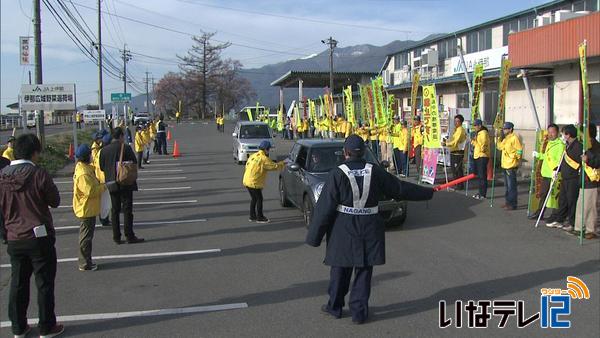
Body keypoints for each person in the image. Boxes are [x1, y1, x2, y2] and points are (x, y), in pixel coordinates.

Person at [306, 135, 434, 324]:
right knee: (364, 270)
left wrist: (314, 237)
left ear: (345, 153)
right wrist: (427, 192)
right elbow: (399, 188)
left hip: (344, 225)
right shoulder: (375, 171)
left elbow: (325, 207)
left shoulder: (337, 173)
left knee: (340, 269)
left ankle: (335, 307)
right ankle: (359, 313)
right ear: (364, 152)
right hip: (370, 226)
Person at [0, 134, 64, 338]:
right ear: (34, 152)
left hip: (14, 237)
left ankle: (19, 327)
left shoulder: (2, 176)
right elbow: (54, 200)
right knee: (44, 283)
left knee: (18, 283)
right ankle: (47, 326)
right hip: (39, 236)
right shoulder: (38, 174)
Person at [99, 128, 144, 244]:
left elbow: (102, 167)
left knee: (115, 210)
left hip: (111, 183)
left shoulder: (104, 150)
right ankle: (129, 235)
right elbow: (134, 163)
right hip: (125, 182)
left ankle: (116, 237)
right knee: (127, 209)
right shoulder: (126, 148)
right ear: (120, 136)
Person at [73, 144, 105, 271]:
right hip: (86, 209)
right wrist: (104, 187)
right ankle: (84, 262)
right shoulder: (83, 174)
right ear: (87, 156)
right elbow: (91, 191)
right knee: (86, 237)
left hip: (88, 207)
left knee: (87, 236)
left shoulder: (84, 168)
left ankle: (86, 260)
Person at [546, 125, 583, 229]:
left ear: (568, 134)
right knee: (563, 200)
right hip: (565, 177)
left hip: (573, 178)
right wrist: (557, 169)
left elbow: (579, 163)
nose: (562, 135)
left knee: (571, 201)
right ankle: (559, 220)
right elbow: (564, 161)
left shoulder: (578, 146)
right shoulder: (567, 145)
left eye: (563, 133)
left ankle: (572, 222)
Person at [242, 140, 284, 223]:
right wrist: (283, 163)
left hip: (247, 180)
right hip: (254, 182)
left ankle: (252, 216)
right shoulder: (263, 158)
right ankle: (260, 217)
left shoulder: (253, 155)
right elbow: (274, 166)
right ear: (265, 149)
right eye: (268, 149)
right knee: (259, 199)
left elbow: (247, 166)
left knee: (254, 198)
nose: (269, 151)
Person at [529, 124, 564, 220]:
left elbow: (559, 160)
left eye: (553, 132)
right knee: (544, 194)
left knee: (554, 196)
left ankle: (554, 215)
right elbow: (546, 156)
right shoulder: (549, 143)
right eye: (549, 132)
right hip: (546, 173)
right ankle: (539, 213)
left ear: (557, 132)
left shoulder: (560, 145)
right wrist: (539, 155)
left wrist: (555, 169)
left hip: (554, 174)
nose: (550, 134)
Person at [573, 123, 600, 239]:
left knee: (591, 207)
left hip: (592, 180)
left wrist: (587, 160)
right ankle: (579, 228)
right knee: (581, 205)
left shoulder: (596, 147)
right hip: (584, 180)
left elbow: (597, 162)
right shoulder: (585, 146)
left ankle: (591, 230)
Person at [496, 122, 523, 211]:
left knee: (511, 186)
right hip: (505, 164)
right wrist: (497, 138)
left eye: (505, 129)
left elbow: (519, 150)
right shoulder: (506, 138)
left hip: (511, 164)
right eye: (503, 129)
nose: (504, 130)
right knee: (507, 185)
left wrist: (515, 158)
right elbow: (500, 147)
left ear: (510, 129)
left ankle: (512, 203)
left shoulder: (514, 138)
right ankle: (508, 202)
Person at [91, 132, 111, 227]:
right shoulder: (96, 150)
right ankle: (104, 219)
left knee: (105, 201)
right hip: (101, 178)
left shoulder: (99, 149)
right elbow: (97, 164)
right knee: (104, 202)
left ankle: (105, 218)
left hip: (101, 178)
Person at [443, 115, 467, 190]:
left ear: (461, 122)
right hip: (453, 151)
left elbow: (455, 141)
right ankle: (457, 184)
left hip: (458, 152)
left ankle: (460, 185)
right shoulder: (455, 129)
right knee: (454, 169)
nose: (456, 123)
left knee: (458, 169)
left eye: (457, 121)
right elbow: (451, 139)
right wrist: (446, 141)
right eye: (455, 121)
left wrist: (446, 144)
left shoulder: (460, 130)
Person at [470, 119, 490, 200]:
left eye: (475, 125)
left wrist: (477, 142)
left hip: (482, 156)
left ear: (479, 125)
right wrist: (473, 141)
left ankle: (483, 194)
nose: (474, 127)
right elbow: (477, 144)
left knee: (482, 176)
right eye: (473, 125)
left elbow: (483, 145)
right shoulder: (479, 133)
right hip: (478, 155)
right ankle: (480, 192)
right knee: (480, 176)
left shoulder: (484, 133)